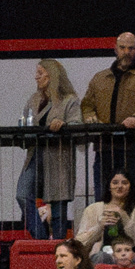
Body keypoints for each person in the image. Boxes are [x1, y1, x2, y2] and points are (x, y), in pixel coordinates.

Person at [81, 33, 135, 200]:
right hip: (104, 146)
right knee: (102, 197)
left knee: (131, 198)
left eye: (131, 48)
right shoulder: (100, 78)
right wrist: (90, 117)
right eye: (123, 47)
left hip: (133, 146)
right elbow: (87, 105)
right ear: (115, 49)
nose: (126, 52)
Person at [20, 59, 82, 238]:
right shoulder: (34, 99)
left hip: (58, 156)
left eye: (40, 73)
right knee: (22, 194)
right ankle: (41, 237)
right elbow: (25, 121)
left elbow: (77, 124)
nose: (36, 77)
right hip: (35, 154)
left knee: (58, 206)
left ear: (52, 75)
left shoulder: (69, 100)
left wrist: (63, 125)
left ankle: (58, 244)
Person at [73, 171, 135, 256]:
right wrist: (99, 227)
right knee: (101, 256)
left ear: (130, 187)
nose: (119, 186)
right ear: (109, 187)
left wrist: (124, 217)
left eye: (124, 183)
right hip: (99, 257)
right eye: (115, 183)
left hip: (129, 257)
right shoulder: (93, 209)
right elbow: (79, 244)